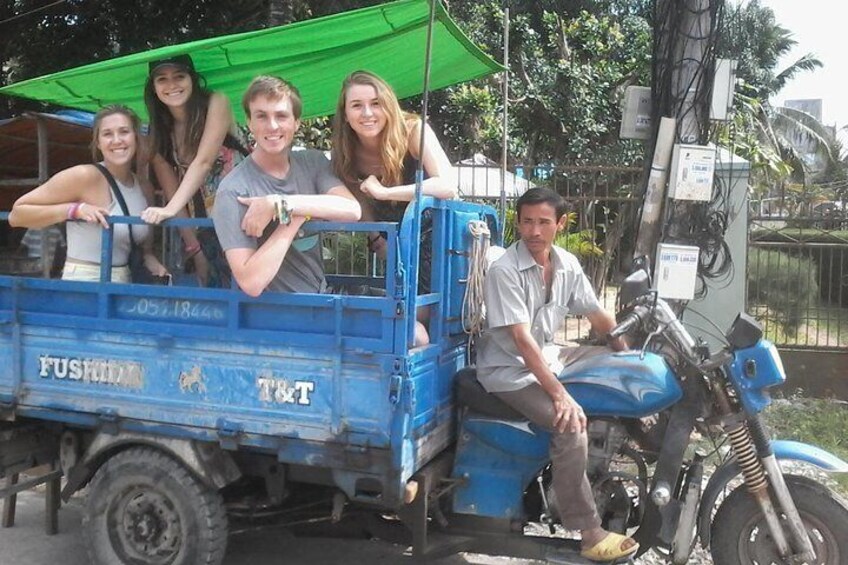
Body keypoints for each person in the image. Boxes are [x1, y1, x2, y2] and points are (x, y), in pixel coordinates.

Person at [475, 187, 639, 562]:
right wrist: (561, 395)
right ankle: (589, 532)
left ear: (560, 224)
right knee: (569, 425)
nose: (534, 231)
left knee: (612, 365)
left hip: (549, 356)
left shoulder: (565, 264)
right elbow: (521, 340)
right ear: (518, 222)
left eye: (543, 223)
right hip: (509, 372)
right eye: (527, 222)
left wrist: (629, 361)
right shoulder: (505, 271)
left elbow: (600, 318)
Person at [331, 70, 457, 345]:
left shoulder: (413, 130)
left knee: (424, 318)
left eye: (375, 103)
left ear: (388, 104)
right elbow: (358, 201)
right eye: (356, 105)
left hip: (436, 242)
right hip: (393, 245)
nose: (367, 113)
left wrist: (386, 192)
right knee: (397, 319)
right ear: (345, 113)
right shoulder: (345, 150)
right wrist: (378, 240)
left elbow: (448, 184)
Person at [212, 75, 360, 297]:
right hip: (274, 319)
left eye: (281, 116)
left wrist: (279, 204)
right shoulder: (234, 190)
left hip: (319, 301)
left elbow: (352, 210)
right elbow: (251, 283)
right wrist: (296, 217)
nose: (272, 126)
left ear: (296, 122)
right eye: (261, 116)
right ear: (249, 123)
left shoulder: (313, 162)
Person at [9, 106, 167, 283]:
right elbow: (17, 215)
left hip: (124, 283)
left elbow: (144, 247)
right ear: (98, 142)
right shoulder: (85, 176)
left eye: (124, 132)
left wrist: (149, 258)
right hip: (86, 282)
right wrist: (74, 210)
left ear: (136, 138)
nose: (117, 140)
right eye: (107, 134)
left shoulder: (144, 187)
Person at [140, 53, 248, 287]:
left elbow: (204, 161)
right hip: (206, 228)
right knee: (216, 297)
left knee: (252, 292)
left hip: (245, 216)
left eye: (179, 76)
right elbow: (172, 190)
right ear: (154, 87)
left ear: (192, 79)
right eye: (162, 79)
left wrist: (169, 209)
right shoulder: (159, 131)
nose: (171, 85)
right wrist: (195, 249)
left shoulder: (216, 102)